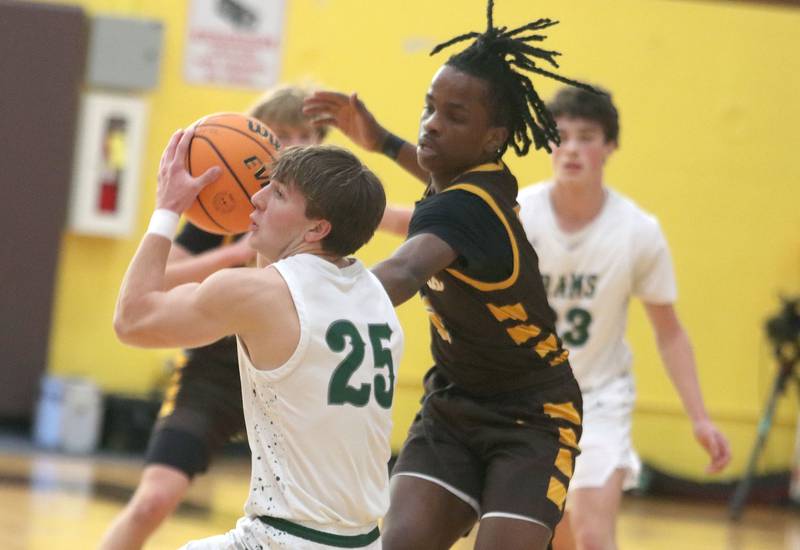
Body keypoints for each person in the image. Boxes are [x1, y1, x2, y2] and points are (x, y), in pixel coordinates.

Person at [305, 2, 594, 548]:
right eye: (430, 107)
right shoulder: (481, 177)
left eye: (454, 117)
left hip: (533, 416)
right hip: (454, 404)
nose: (433, 124)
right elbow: (437, 171)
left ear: (492, 136)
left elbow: (404, 269)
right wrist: (384, 142)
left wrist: (300, 298)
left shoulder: (467, 207)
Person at [112, 137, 401, 549]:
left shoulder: (260, 295)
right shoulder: (373, 292)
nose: (258, 196)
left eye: (278, 193)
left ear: (318, 228)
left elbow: (132, 321)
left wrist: (168, 208)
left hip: (284, 540)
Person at [100, 86, 327, 550]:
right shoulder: (224, 214)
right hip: (215, 369)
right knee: (152, 501)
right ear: (258, 148)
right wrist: (238, 253)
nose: (297, 145)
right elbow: (159, 279)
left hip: (298, 375)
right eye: (284, 136)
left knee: (311, 524)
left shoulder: (331, 216)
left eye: (309, 134)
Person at [515, 86, 731, 550]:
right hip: (528, 398)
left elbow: (669, 333)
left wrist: (699, 419)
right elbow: (433, 227)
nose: (571, 147)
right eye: (561, 135)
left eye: (586, 137)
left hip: (600, 396)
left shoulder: (638, 231)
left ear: (609, 146)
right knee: (551, 533)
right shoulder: (519, 213)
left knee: (595, 533)